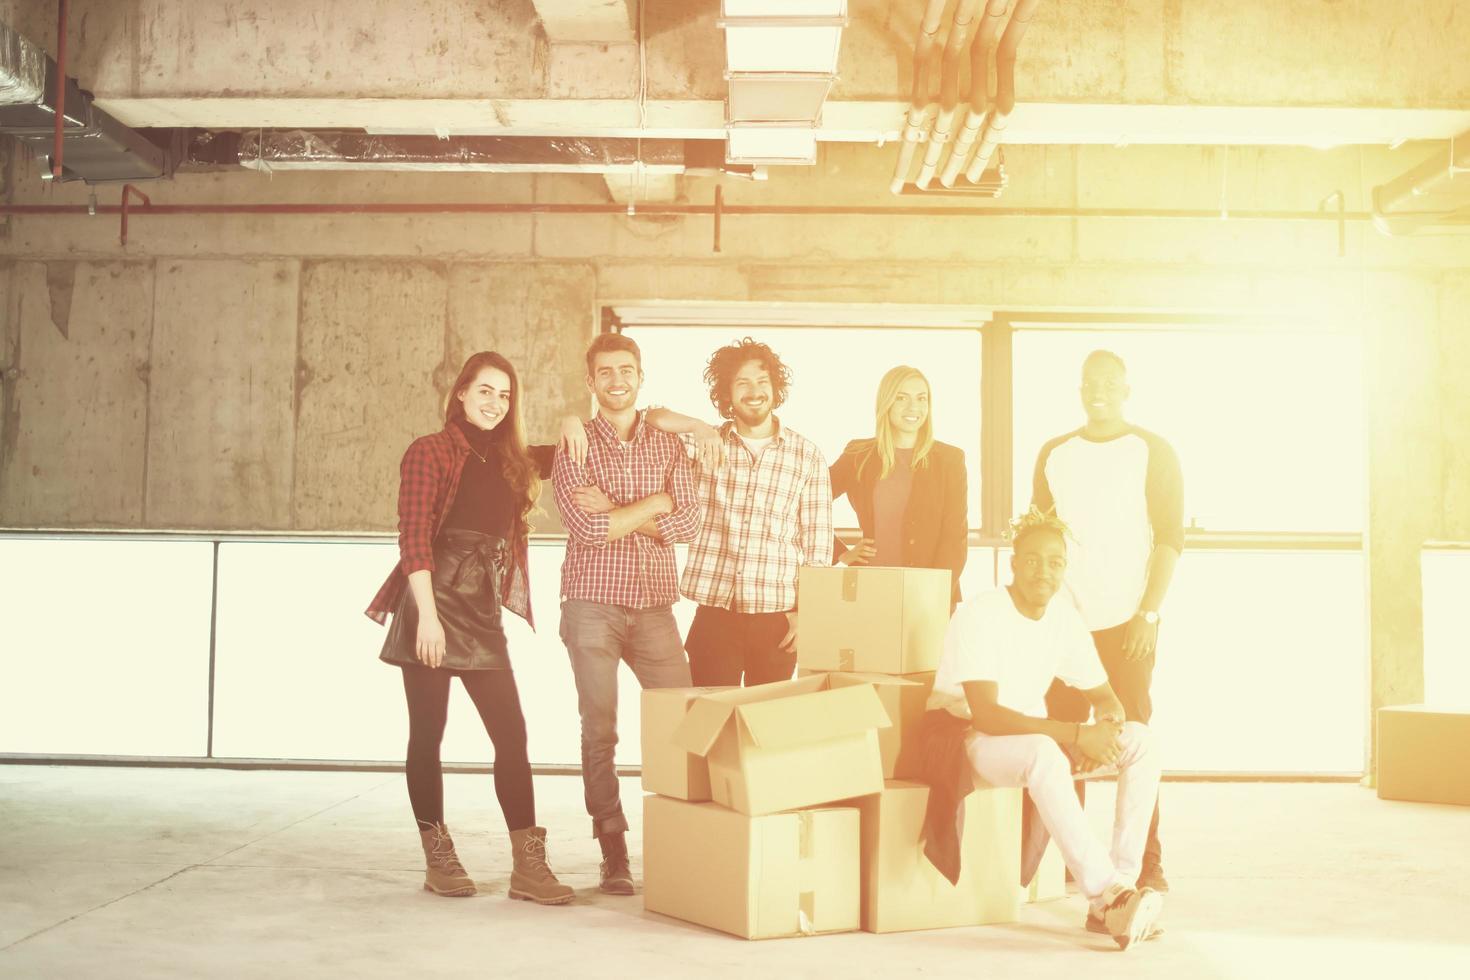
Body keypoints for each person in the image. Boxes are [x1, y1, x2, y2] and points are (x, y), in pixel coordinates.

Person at [365, 351, 573, 906]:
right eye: (485, 391)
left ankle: (527, 868)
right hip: (431, 603)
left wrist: (576, 422)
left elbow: (577, 446)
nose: (495, 404)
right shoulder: (429, 451)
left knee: (512, 735)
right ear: (461, 393)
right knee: (427, 736)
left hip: (479, 609)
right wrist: (427, 619)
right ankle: (439, 859)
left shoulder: (514, 460)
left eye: (505, 395)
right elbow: (412, 538)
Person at [926, 508, 1165, 950]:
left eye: (1055, 562)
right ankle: (1106, 895)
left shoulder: (1062, 618)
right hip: (970, 743)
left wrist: (1106, 731)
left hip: (1036, 742)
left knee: (1142, 741)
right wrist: (1077, 735)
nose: (1044, 571)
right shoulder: (980, 615)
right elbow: (987, 715)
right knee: (1042, 751)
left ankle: (1120, 892)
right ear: (1014, 563)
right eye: (1033, 560)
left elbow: (1105, 697)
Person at [552, 332, 701, 896]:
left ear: (641, 376)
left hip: (655, 606)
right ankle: (613, 851)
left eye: (626, 370)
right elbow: (587, 529)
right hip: (591, 603)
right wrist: (656, 504)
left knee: (684, 718)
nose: (617, 380)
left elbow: (687, 525)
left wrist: (622, 510)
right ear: (591, 382)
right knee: (601, 730)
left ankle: (686, 838)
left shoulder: (668, 446)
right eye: (605, 372)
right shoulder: (575, 444)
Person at [1032, 349, 1184, 893]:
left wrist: (1149, 612)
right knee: (1062, 743)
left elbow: (1170, 538)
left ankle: (1147, 862)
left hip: (1129, 623)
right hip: (1064, 624)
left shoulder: (1153, 451)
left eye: (1110, 382)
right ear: (1079, 390)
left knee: (1133, 741)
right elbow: (1037, 539)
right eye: (1089, 382)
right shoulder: (1055, 454)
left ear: (1126, 389)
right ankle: (1072, 865)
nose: (1099, 390)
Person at [646, 337, 834, 687]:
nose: (754, 391)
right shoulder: (705, 442)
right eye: (742, 382)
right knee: (711, 727)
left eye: (762, 382)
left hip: (779, 619)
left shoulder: (807, 455)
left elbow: (818, 546)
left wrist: (805, 614)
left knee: (767, 732)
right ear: (726, 393)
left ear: (776, 389)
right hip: (715, 616)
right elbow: (651, 418)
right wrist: (698, 427)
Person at [828, 365, 968, 608]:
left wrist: (933, 595)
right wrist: (840, 554)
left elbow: (955, 538)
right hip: (871, 590)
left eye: (921, 398)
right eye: (901, 398)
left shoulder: (950, 460)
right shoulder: (858, 454)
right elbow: (806, 505)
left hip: (929, 597)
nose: (913, 407)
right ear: (887, 402)